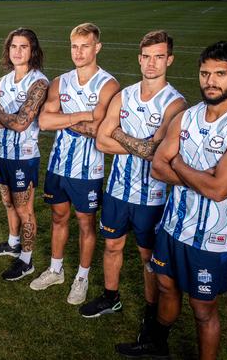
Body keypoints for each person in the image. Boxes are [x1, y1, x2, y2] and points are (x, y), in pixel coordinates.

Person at [115, 41, 227, 359]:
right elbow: (158, 167)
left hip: (212, 238)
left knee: (203, 309)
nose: (211, 81)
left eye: (220, 73)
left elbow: (218, 190)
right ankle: (156, 345)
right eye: (205, 73)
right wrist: (201, 174)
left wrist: (180, 165)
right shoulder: (188, 116)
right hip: (171, 226)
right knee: (166, 286)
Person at [80, 31, 187, 323]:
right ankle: (110, 298)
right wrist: (136, 142)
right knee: (112, 245)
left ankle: (152, 312)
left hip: (151, 196)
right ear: (139, 59)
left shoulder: (175, 104)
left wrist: (117, 132)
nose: (152, 63)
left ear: (170, 60)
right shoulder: (123, 95)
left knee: (148, 256)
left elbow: (156, 153)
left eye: (159, 56)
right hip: (117, 190)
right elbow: (101, 142)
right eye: (147, 57)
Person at [34, 23, 119, 304]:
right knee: (58, 217)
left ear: (97, 48)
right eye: (74, 46)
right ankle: (56, 269)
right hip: (58, 165)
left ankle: (81, 277)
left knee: (85, 223)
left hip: (88, 169)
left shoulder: (108, 84)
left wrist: (67, 118)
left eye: (85, 46)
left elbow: (99, 128)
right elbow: (45, 121)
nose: (79, 52)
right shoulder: (61, 81)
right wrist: (83, 115)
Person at [0, 28, 49, 281]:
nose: (17, 51)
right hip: (3, 153)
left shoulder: (39, 82)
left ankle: (27, 259)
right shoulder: (3, 81)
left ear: (32, 51)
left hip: (25, 156)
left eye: (23, 47)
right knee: (8, 202)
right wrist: (6, 117)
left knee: (25, 209)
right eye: (13, 46)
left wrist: (2, 114)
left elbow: (23, 124)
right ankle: (13, 244)